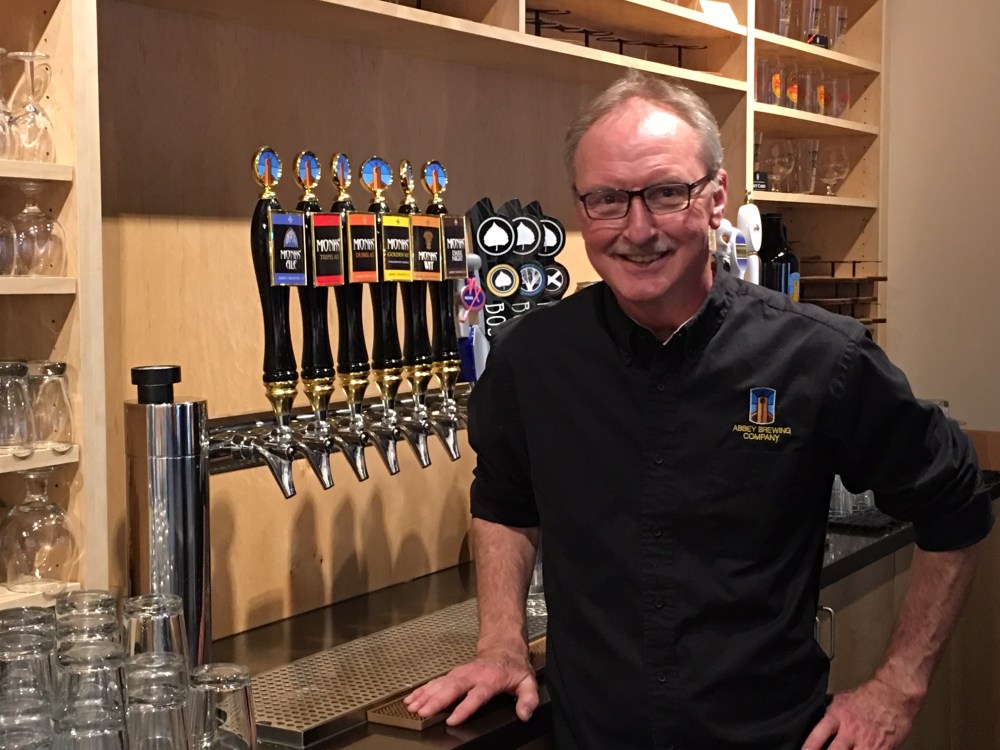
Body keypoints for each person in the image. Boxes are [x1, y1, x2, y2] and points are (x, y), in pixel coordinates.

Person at [403, 70, 993, 750]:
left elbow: (954, 502)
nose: (638, 228)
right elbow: (504, 499)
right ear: (579, 208)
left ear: (715, 198)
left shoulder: (819, 359)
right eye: (607, 200)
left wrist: (898, 686)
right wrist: (501, 642)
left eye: (665, 193)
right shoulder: (532, 358)